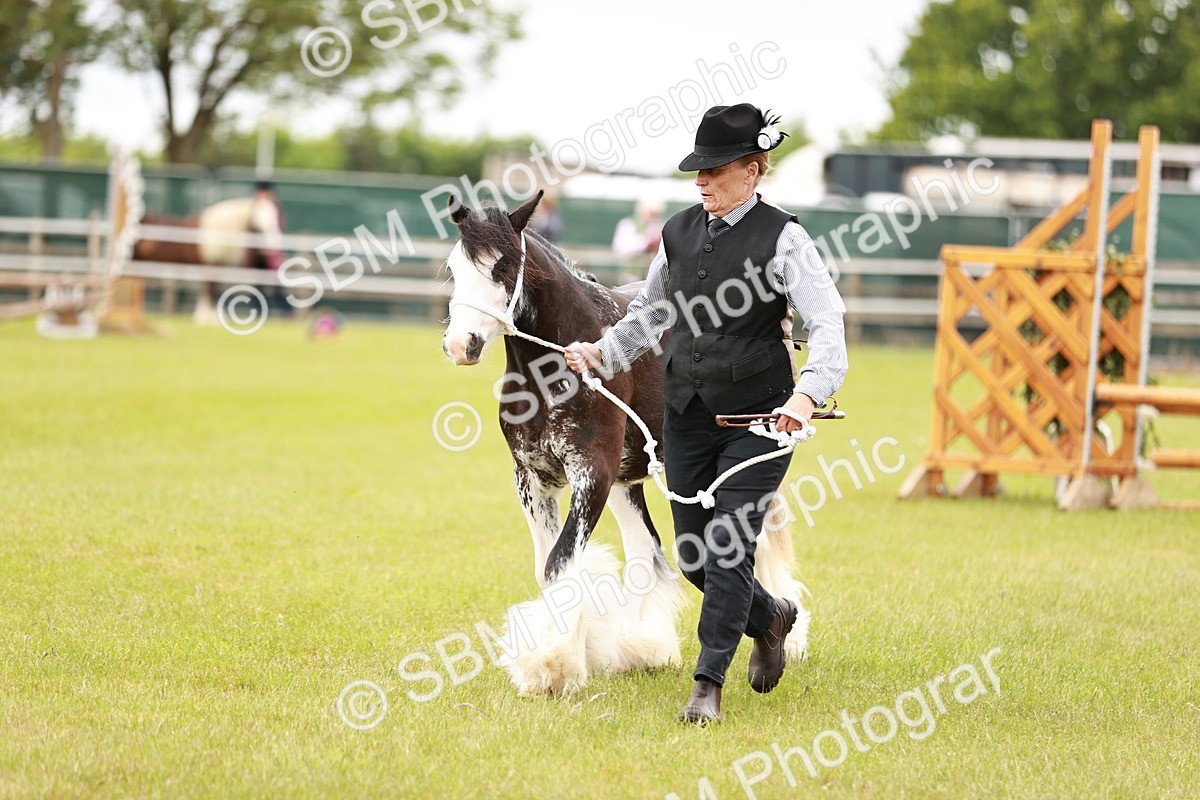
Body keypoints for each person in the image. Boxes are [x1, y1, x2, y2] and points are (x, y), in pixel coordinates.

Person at [564, 104, 848, 724]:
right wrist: (601, 352)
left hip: (763, 422)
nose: (702, 180)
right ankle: (769, 616)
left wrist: (805, 399)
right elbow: (646, 315)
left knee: (727, 549)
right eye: (698, 170)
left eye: (716, 169)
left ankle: (707, 684)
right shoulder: (677, 233)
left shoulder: (785, 238)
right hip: (687, 418)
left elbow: (828, 325)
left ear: (752, 170)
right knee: (694, 556)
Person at [611, 197, 663, 283]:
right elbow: (621, 249)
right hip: (630, 275)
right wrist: (646, 243)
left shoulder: (658, 226)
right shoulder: (628, 224)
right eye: (649, 213)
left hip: (652, 277)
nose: (652, 217)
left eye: (655, 214)